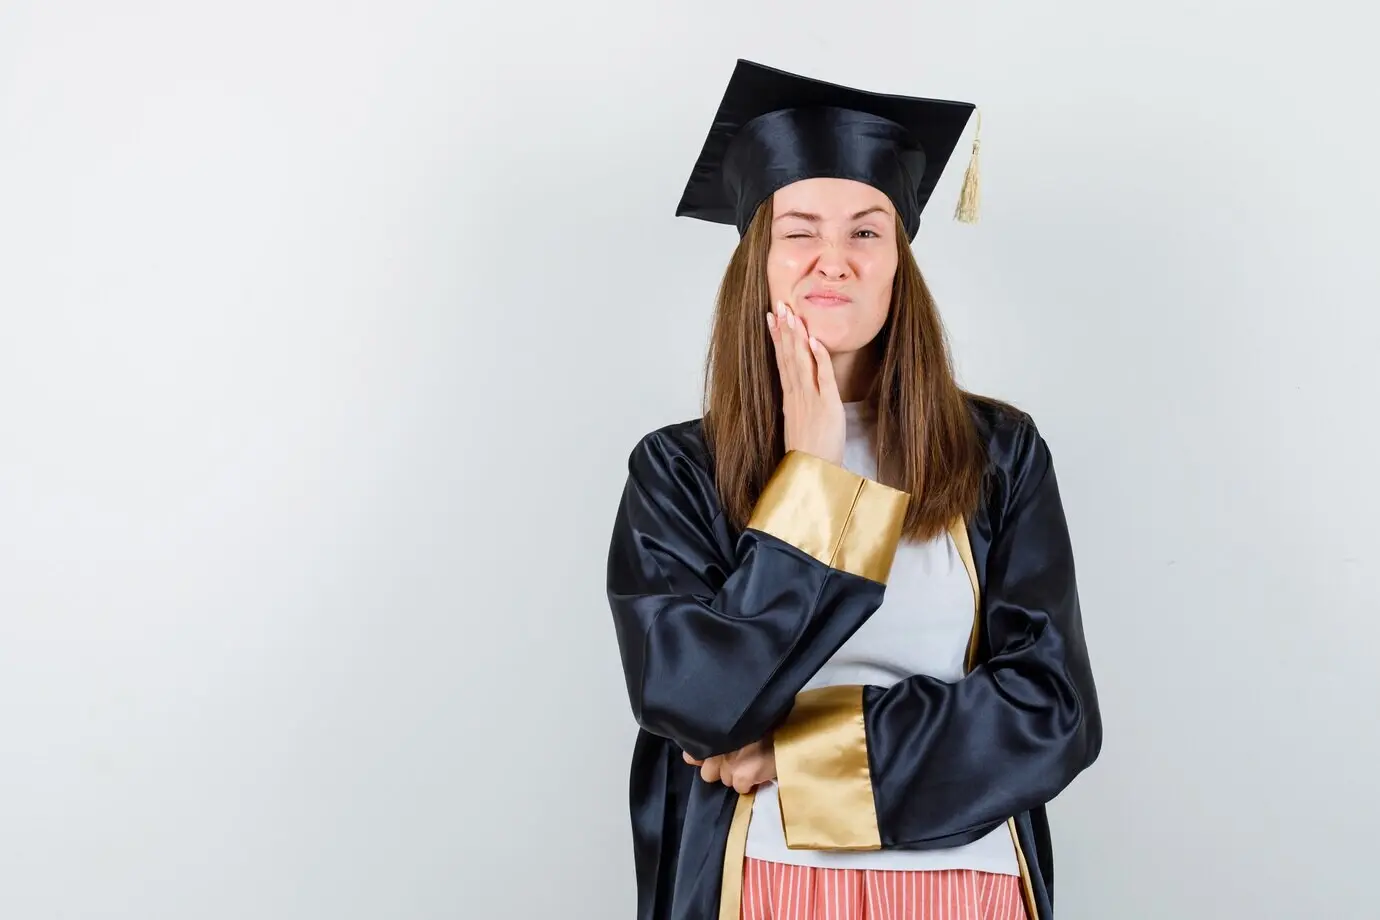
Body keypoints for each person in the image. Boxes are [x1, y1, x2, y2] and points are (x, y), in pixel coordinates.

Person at [605, 59, 1101, 920]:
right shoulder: (679, 470)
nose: (832, 261)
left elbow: (1051, 715)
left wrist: (805, 758)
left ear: (898, 263)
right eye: (799, 232)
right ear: (758, 262)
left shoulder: (998, 456)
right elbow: (701, 705)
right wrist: (816, 478)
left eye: (866, 232)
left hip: (967, 884)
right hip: (759, 879)